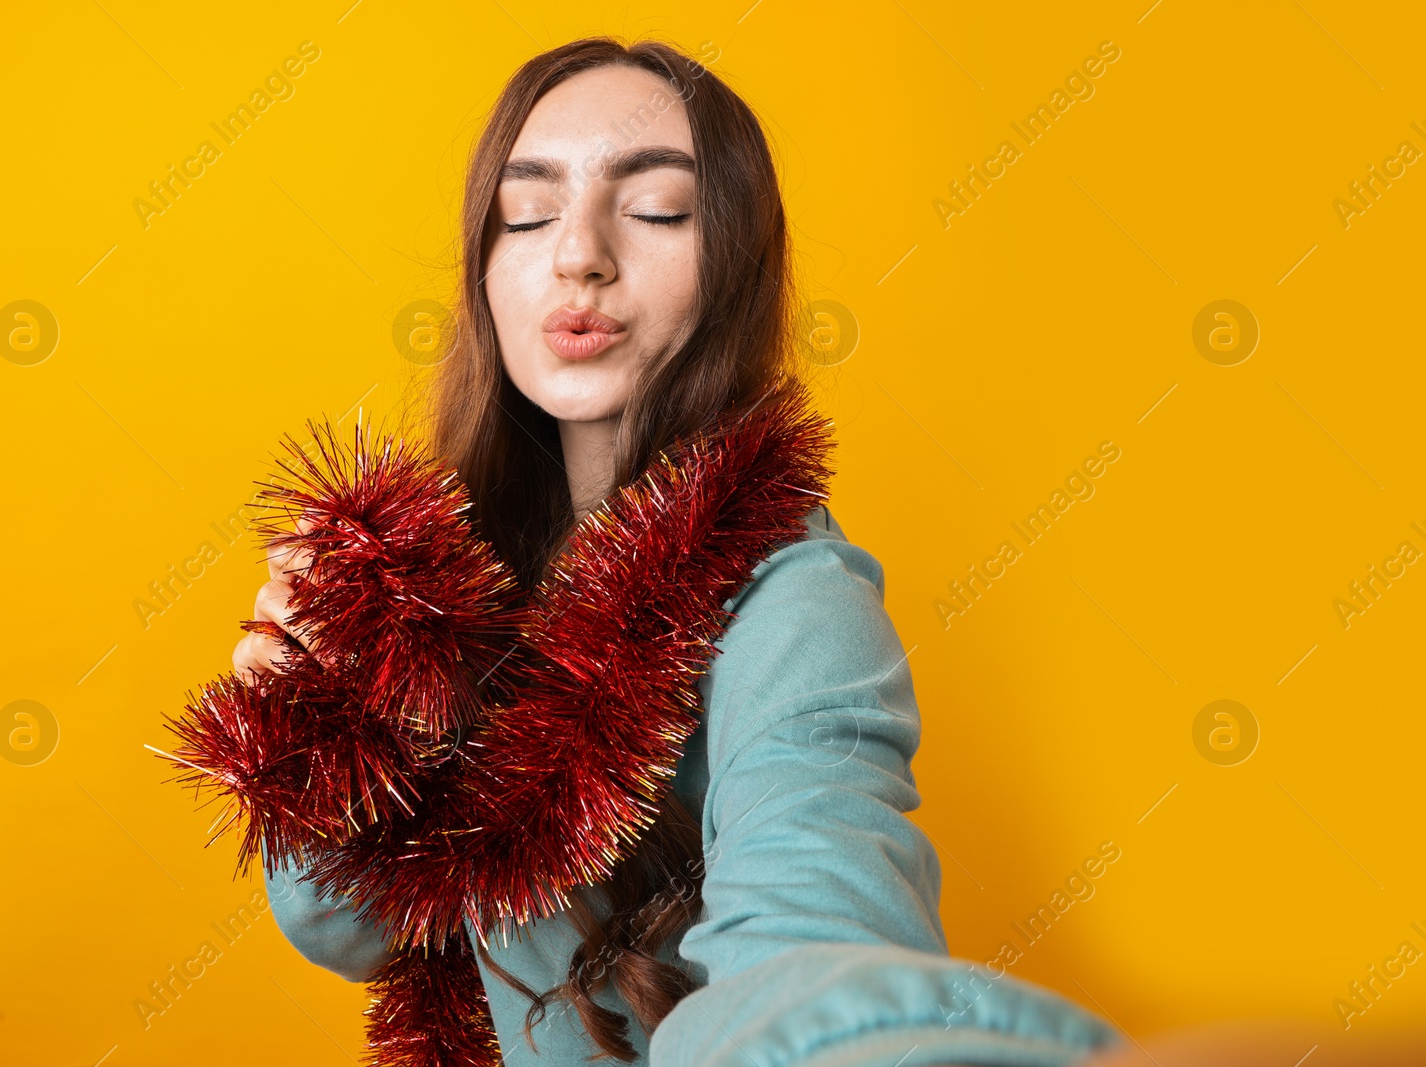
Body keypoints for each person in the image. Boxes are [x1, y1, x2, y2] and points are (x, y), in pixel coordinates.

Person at [234, 37, 1125, 1067]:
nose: (580, 254)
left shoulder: (799, 604)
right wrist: (315, 735)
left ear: (734, 267)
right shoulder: (453, 583)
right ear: (483, 269)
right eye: (527, 213)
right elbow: (356, 928)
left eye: (656, 208)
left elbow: (810, 931)